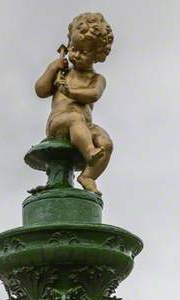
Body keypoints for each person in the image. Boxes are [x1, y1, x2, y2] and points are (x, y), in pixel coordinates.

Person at [34, 12, 114, 194]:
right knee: (74, 117)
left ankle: (88, 176)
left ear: (97, 55)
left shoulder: (97, 78)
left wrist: (71, 92)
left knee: (106, 142)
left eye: (83, 52)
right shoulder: (62, 72)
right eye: (73, 48)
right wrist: (52, 68)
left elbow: (93, 95)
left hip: (85, 126)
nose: (75, 55)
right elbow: (40, 90)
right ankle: (89, 151)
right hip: (59, 124)